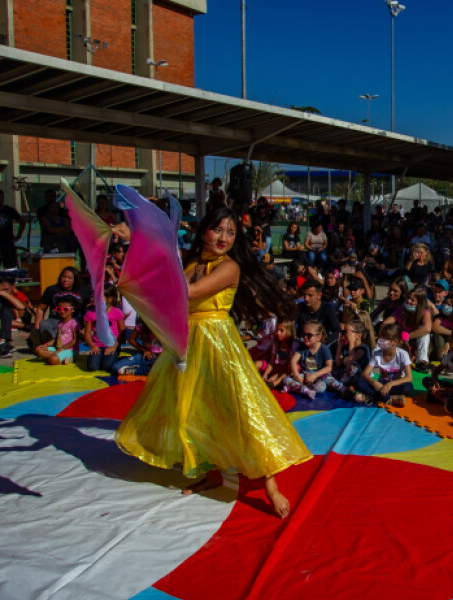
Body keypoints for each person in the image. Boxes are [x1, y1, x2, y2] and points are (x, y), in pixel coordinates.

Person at [115, 205, 311, 518]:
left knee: (240, 411)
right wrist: (134, 241)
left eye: (231, 232)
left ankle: (270, 485)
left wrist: (151, 258)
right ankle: (209, 470)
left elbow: (188, 293)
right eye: (217, 229)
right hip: (186, 342)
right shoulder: (191, 261)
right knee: (193, 409)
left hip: (218, 343)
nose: (223, 237)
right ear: (204, 230)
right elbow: (167, 280)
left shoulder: (230, 267)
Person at [355, 323, 414, 406]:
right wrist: (375, 383)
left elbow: (409, 377)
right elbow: (365, 374)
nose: (380, 340)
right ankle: (390, 399)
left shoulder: (403, 354)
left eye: (384, 338)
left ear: (395, 341)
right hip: (380, 386)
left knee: (408, 387)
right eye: (380, 337)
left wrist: (390, 384)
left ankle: (371, 397)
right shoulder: (377, 354)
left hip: (394, 385)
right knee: (358, 382)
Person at [282, 319, 340, 399]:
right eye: (303, 334)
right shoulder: (302, 347)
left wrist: (315, 375)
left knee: (321, 387)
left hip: (319, 375)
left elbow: (329, 367)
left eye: (309, 335)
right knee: (285, 379)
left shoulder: (323, 348)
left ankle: (342, 389)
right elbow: (293, 360)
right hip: (305, 375)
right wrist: (297, 376)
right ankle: (305, 389)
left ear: (318, 337)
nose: (305, 337)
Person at [82, 284, 126, 373]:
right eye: (92, 296)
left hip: (112, 345)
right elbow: (87, 333)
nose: (93, 299)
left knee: (107, 366)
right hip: (97, 346)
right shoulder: (90, 313)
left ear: (109, 299)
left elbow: (123, 332)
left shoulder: (116, 312)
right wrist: (92, 346)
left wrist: (114, 346)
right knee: (92, 367)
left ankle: (120, 358)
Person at [34, 296, 79, 366]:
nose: (62, 311)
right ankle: (60, 358)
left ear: (72, 310)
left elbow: (75, 340)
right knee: (39, 351)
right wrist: (45, 345)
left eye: (65, 309)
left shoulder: (74, 323)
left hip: (69, 349)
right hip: (58, 348)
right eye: (59, 309)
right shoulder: (59, 323)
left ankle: (59, 358)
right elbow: (56, 339)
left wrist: (62, 349)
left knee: (52, 360)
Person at [0, 188, 24, 270]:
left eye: (1, 198)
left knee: (10, 266)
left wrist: (18, 236)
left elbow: (22, 222)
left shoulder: (9, 210)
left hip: (8, 242)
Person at [296, 281, 341, 348]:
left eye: (310, 295)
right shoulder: (300, 308)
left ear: (319, 295)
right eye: (304, 295)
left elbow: (338, 332)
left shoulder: (327, 308)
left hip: (322, 345)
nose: (306, 299)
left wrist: (322, 342)